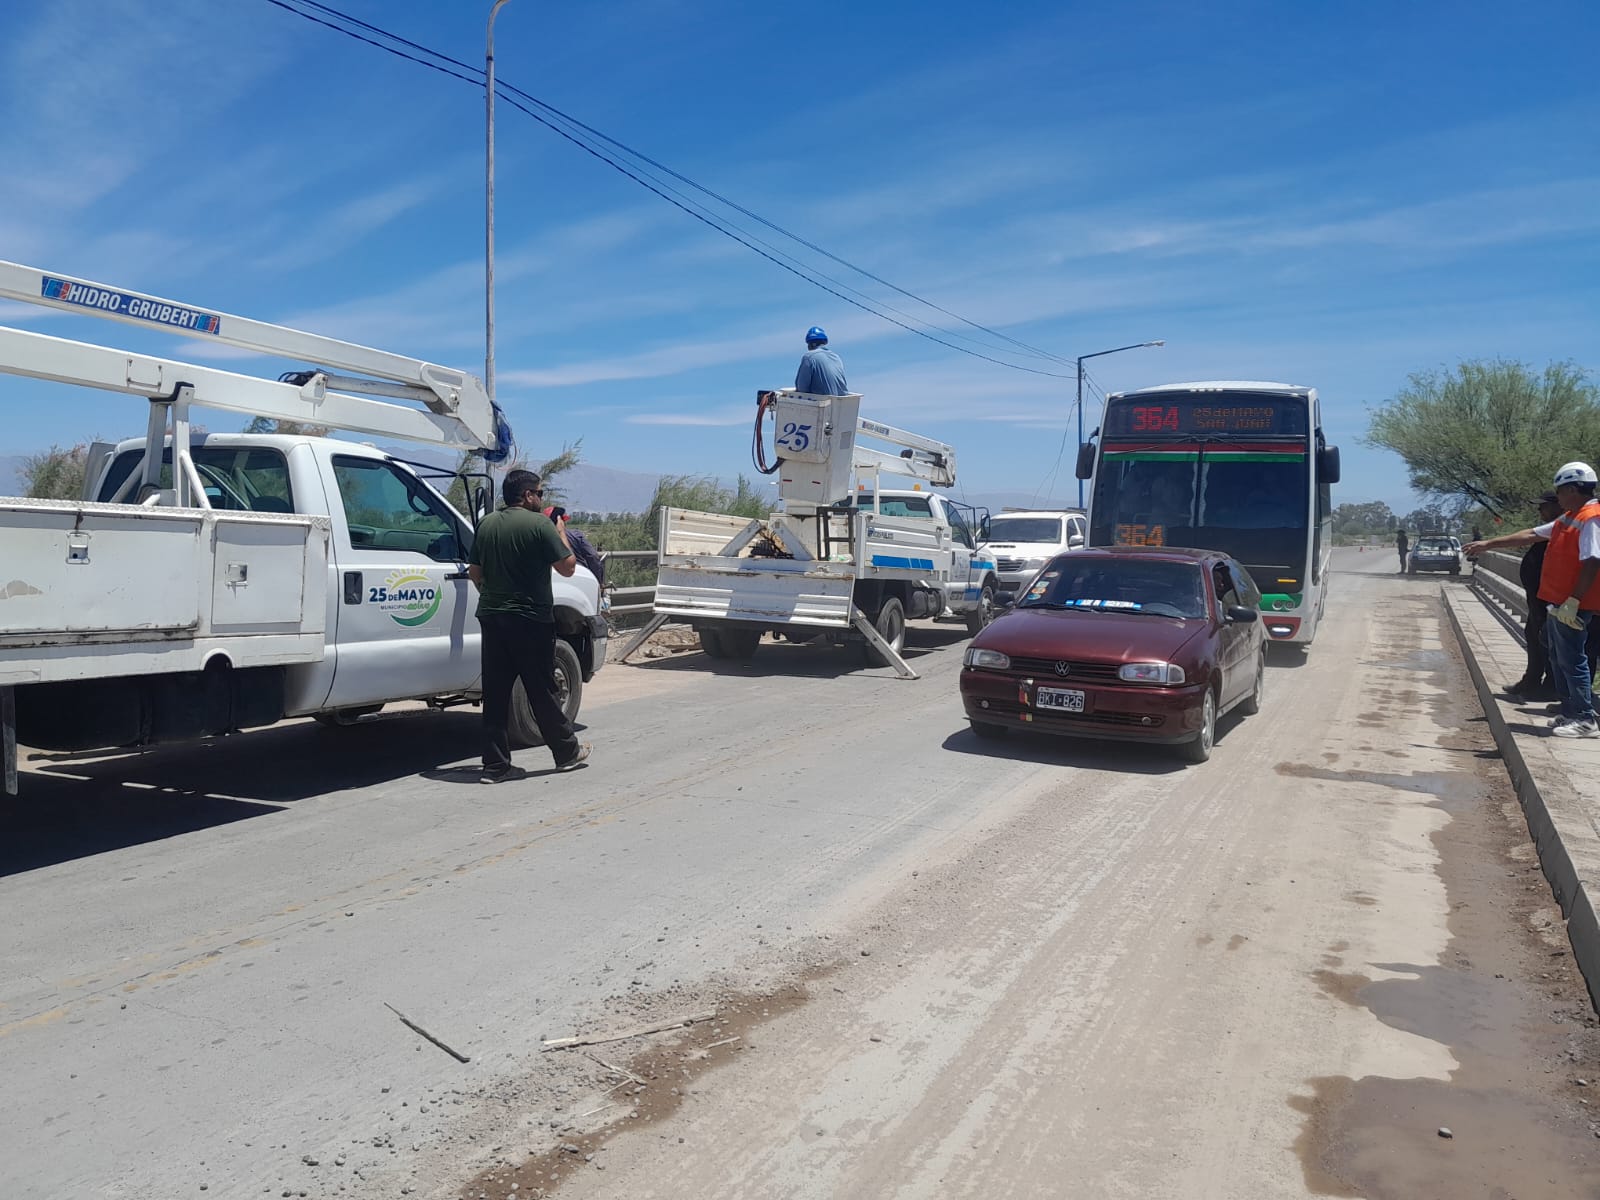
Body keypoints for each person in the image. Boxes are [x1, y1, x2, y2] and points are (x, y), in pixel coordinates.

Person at [467, 469, 592, 781]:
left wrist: (494, 596)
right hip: (530, 620)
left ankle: (495, 766)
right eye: (539, 492)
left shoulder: (487, 523)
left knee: (495, 693)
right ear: (527, 495)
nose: (541, 498)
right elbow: (567, 567)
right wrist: (560, 529)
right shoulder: (539, 524)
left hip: (492, 617)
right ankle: (566, 752)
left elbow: (475, 572)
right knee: (542, 689)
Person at [1466, 462, 1600, 739]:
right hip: (1559, 604)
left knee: (1573, 659)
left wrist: (1574, 600)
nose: (1558, 497)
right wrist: (1488, 544)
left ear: (1574, 489)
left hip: (1574, 605)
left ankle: (1585, 719)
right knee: (1558, 657)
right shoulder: (1569, 518)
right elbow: (1531, 534)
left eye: (1560, 491)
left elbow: (1592, 560)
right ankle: (1570, 710)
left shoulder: (1591, 518)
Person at [1502, 493, 1561, 700]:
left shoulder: (1563, 529)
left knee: (1550, 643)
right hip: (1537, 601)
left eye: (1543, 506)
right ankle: (1531, 680)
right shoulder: (1550, 530)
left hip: (1550, 602)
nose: (1540, 511)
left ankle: (1550, 687)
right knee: (1534, 638)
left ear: (1557, 505)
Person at [543, 505, 606, 587]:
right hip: (581, 578)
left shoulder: (541, 537)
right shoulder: (576, 535)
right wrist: (598, 582)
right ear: (561, 521)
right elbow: (592, 556)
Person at [794, 325, 848, 396]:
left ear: (811, 344)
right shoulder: (836, 357)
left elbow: (801, 388)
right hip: (843, 402)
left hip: (822, 403)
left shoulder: (809, 357)